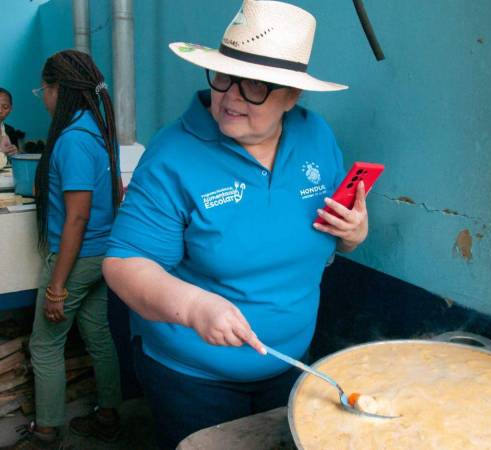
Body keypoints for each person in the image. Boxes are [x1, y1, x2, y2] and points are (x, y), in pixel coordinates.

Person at [104, 1, 369, 449]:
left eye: (255, 87)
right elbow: (125, 264)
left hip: (292, 364)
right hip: (194, 380)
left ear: (292, 95)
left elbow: (333, 237)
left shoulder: (317, 136)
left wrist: (354, 233)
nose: (230, 97)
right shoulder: (173, 156)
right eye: (223, 76)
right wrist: (194, 307)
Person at [2, 50, 122, 450]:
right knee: (99, 335)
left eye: (43, 89)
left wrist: (56, 285)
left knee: (46, 344)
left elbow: (76, 218)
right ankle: (108, 417)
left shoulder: (71, 139)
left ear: (59, 89)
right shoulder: (99, 131)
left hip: (77, 256)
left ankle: (47, 430)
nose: (42, 97)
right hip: (103, 253)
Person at [0, 87, 24, 156]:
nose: (0, 111)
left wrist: (15, 153)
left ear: (10, 109)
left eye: (5, 107)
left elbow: (15, 160)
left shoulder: (10, 131)